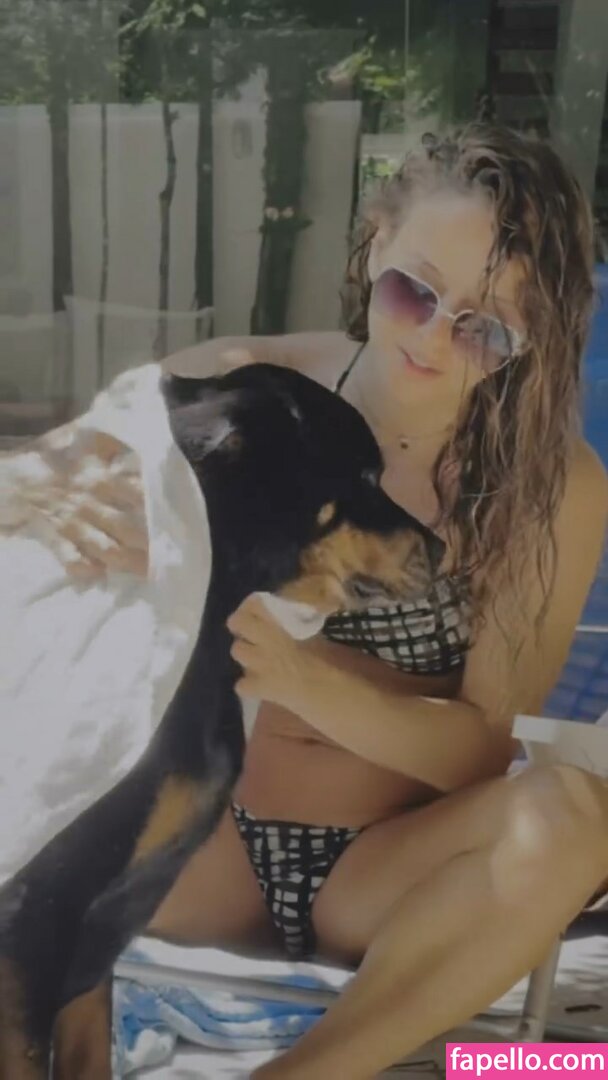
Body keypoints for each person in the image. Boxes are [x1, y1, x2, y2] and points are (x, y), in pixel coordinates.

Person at [5, 123, 608, 1078]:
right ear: (375, 244)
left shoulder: (548, 487)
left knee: (573, 816)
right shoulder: (241, 391)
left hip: (374, 875)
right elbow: (40, 492)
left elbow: (481, 750)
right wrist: (25, 491)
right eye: (413, 291)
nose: (431, 337)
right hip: (183, 852)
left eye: (484, 327)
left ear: (529, 339)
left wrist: (299, 678)